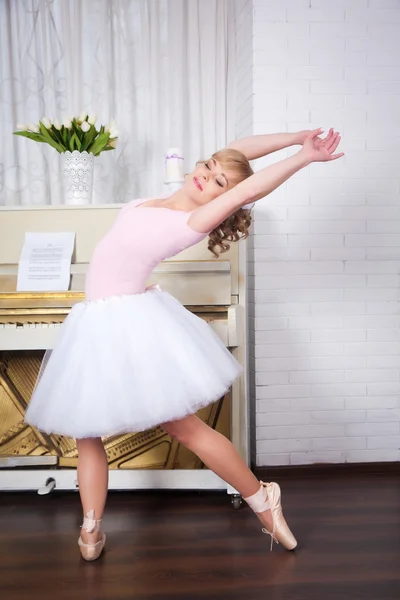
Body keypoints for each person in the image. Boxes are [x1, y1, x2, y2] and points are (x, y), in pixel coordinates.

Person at [25, 128, 343, 561]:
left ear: (221, 200)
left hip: (130, 327)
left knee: (184, 427)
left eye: (218, 184)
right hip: (96, 324)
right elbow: (235, 156)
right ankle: (92, 526)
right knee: (86, 432)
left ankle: (263, 498)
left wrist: (303, 157)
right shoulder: (157, 199)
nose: (207, 176)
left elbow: (248, 185)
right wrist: (293, 137)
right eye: (208, 167)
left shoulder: (193, 221)